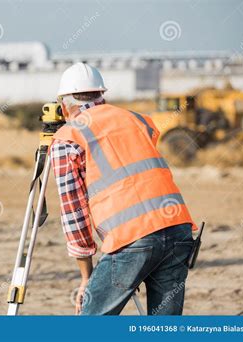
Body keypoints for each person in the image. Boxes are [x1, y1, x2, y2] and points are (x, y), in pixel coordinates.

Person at [50, 62, 197, 315]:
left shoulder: (68, 136)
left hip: (132, 236)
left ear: (63, 105)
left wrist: (87, 276)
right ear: (101, 95)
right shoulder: (138, 120)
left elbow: (73, 213)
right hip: (178, 228)